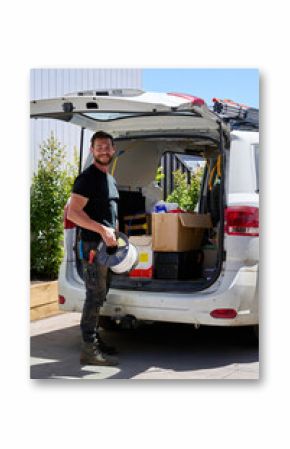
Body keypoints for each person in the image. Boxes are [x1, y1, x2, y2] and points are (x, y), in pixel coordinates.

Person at [67, 131, 119, 366]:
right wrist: (102, 230)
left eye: (107, 146)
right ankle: (89, 349)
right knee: (94, 296)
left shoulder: (110, 179)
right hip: (92, 246)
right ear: (92, 150)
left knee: (101, 294)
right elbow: (73, 213)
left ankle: (95, 339)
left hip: (106, 247)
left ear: (113, 150)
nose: (104, 150)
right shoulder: (87, 178)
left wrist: (114, 234)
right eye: (99, 147)